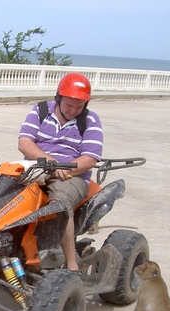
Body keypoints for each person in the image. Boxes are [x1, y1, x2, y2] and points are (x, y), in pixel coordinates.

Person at [17, 73, 103, 272]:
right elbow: (25, 142)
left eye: (78, 107)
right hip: (38, 167)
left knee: (59, 206)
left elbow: (90, 158)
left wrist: (63, 168)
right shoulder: (40, 110)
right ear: (58, 98)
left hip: (72, 175)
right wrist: (50, 163)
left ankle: (71, 264)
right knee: (3, 192)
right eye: (68, 105)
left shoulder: (90, 120)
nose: (73, 111)